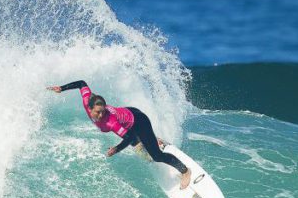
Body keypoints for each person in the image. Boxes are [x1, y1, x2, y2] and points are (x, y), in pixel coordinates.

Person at [47, 80, 192, 189]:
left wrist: (116, 149)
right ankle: (152, 139)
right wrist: (62, 88)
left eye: (103, 110)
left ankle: (185, 171)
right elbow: (81, 83)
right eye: (98, 111)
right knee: (143, 154)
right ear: (89, 107)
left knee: (156, 156)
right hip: (128, 114)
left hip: (139, 121)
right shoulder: (87, 99)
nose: (101, 114)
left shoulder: (110, 122)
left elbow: (128, 137)